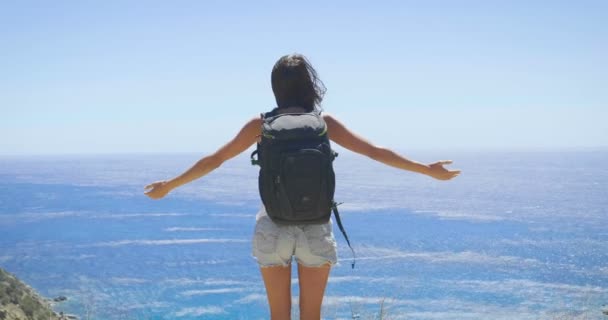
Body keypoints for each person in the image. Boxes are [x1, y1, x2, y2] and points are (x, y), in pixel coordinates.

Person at [144, 53, 460, 320]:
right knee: (312, 316)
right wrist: (426, 170)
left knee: (278, 316)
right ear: (309, 85)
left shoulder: (260, 125)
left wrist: (169, 185)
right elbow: (376, 152)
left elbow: (213, 161)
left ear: (275, 88)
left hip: (273, 226)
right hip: (316, 227)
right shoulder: (325, 123)